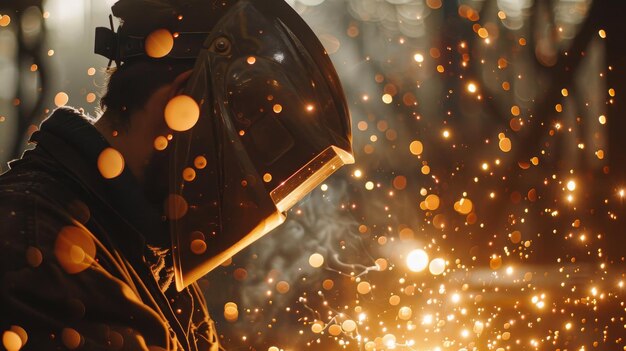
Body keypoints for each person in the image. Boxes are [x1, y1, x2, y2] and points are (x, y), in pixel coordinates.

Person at [0, 0, 353, 350]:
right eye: (255, 146)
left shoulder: (157, 269)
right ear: (185, 100)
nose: (251, 187)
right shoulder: (35, 243)